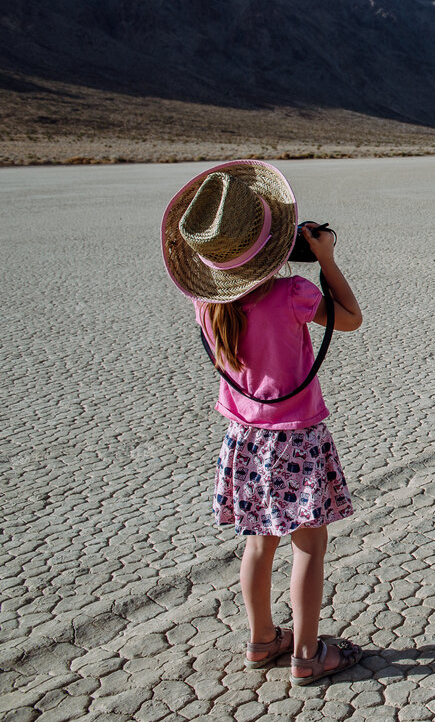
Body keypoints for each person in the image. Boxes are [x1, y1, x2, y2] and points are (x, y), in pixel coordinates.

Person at [162, 160, 364, 685]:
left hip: (244, 440)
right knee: (309, 548)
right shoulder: (292, 294)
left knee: (257, 545)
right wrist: (325, 258)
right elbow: (350, 318)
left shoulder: (206, 302)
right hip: (298, 439)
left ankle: (260, 641)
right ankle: (307, 654)